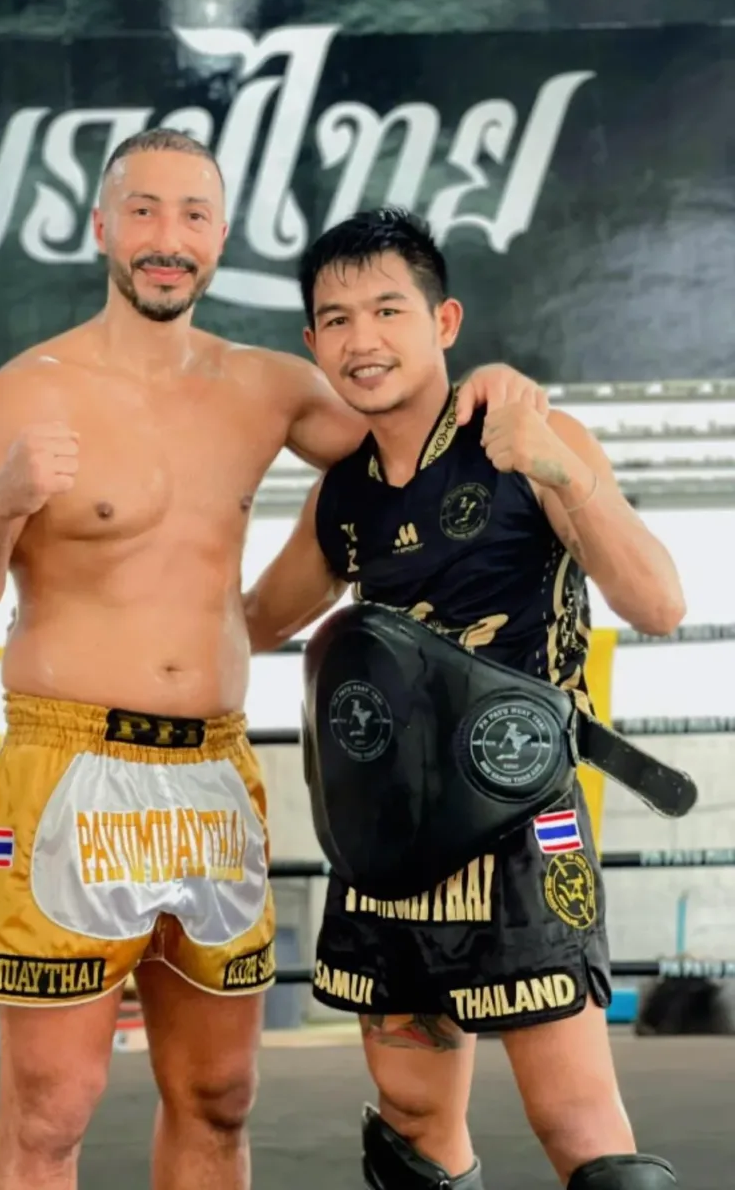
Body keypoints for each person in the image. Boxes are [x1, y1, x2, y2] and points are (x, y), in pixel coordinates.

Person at [0, 126, 557, 1190]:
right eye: (147, 211)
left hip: (214, 772)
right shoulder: (26, 392)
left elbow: (413, 432)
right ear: (102, 227)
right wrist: (5, 498)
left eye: (194, 216)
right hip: (68, 765)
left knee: (218, 1100)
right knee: (50, 1111)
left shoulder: (268, 388)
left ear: (220, 237)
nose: (170, 239)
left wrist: (501, 386)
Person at [242, 207, 687, 1189]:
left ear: (443, 322)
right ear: (313, 343)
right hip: (392, 829)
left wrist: (556, 465)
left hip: (524, 822)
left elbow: (657, 601)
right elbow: (253, 621)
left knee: (575, 1122)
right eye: (338, 319)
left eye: (387, 310)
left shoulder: (531, 435)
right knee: (410, 1126)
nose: (364, 339)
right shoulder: (342, 496)